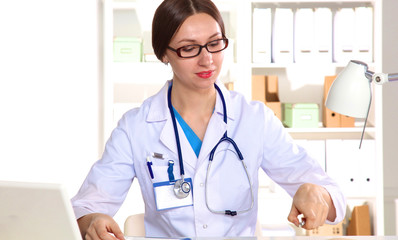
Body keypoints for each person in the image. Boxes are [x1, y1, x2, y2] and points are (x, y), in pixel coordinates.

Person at [71, 0, 346, 239]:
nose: (208, 60)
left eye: (215, 44)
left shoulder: (254, 119)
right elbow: (85, 207)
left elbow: (333, 196)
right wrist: (93, 222)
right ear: (163, 53)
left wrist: (317, 194)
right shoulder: (136, 127)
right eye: (189, 49)